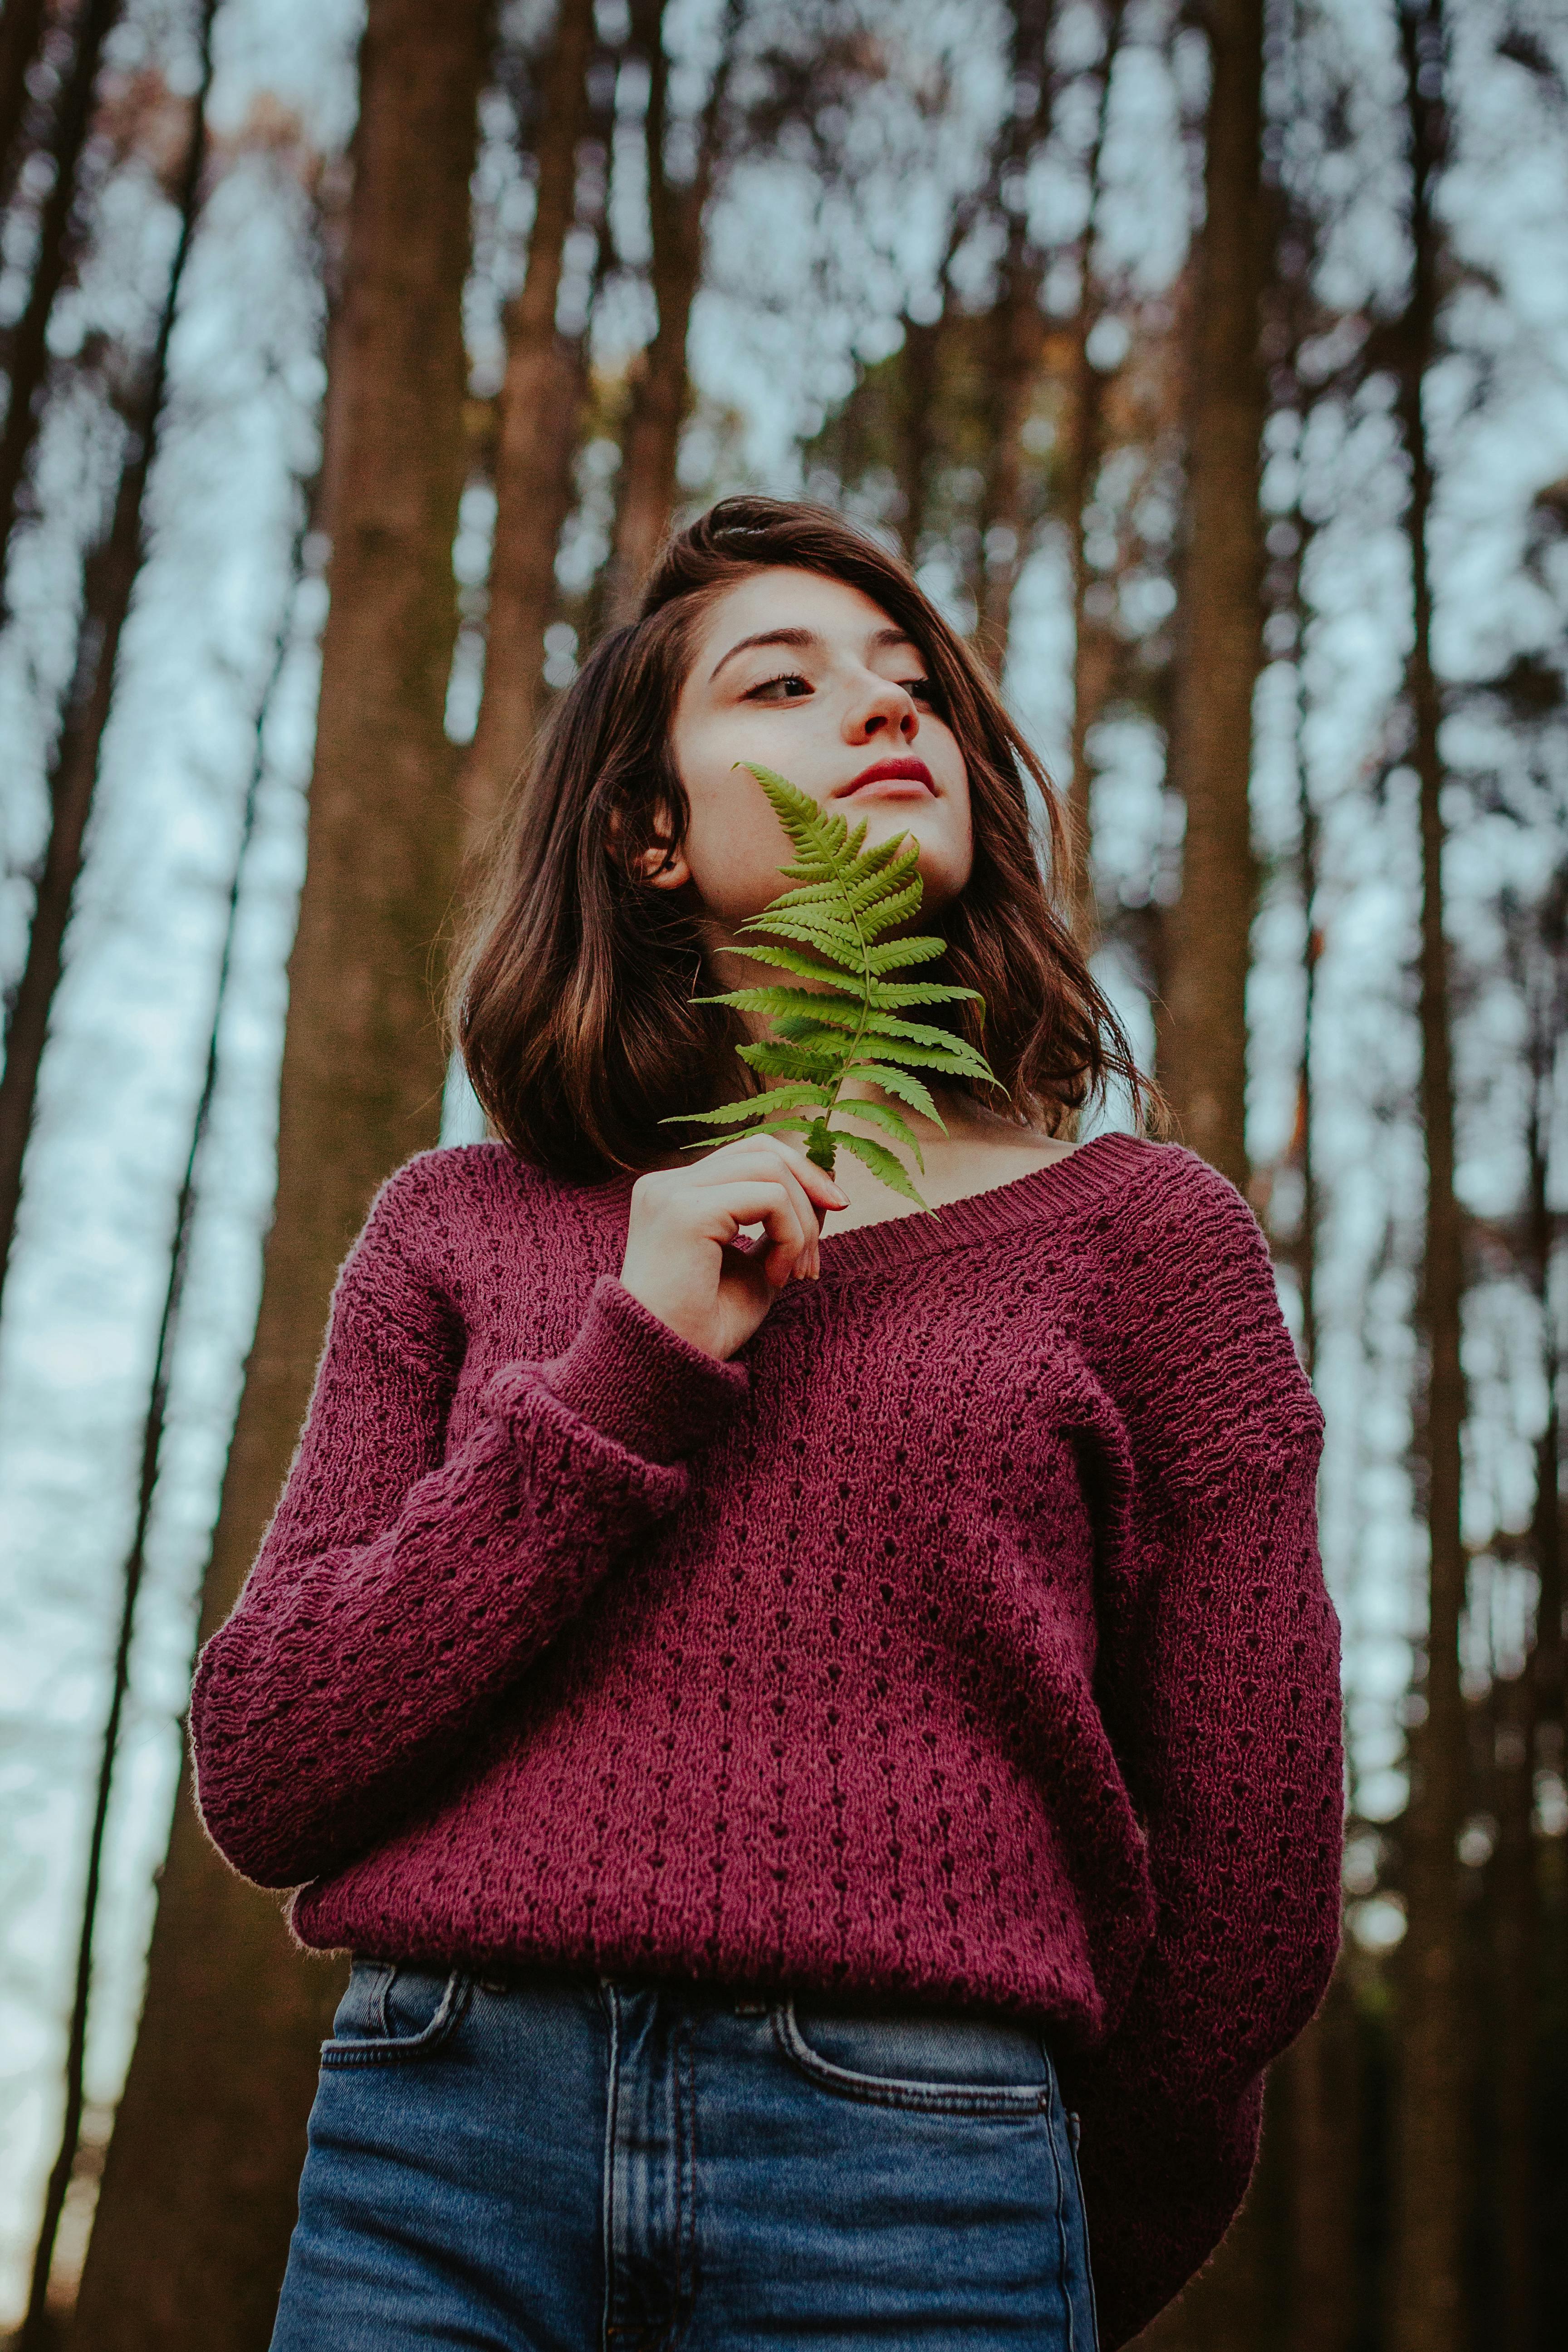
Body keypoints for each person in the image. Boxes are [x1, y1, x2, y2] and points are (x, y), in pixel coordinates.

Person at [190, 496, 1344, 2352]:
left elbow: (1248, 1884)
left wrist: (1048, 2222)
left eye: (914, 689)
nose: (887, 719)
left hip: (924, 2170)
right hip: (437, 2150)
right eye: (783, 685)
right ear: (649, 830)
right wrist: (635, 1359)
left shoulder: (1145, 1241)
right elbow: (268, 1763)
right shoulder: (455, 1225)